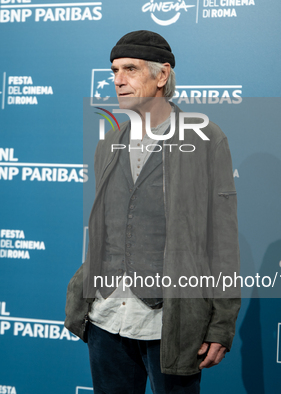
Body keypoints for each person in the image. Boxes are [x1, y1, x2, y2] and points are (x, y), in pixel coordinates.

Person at [65, 30, 240, 394]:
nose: (118, 80)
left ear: (162, 76)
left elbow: (222, 239)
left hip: (170, 324)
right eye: (114, 71)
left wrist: (221, 324)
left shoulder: (205, 138)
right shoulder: (109, 143)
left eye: (130, 69)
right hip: (107, 318)